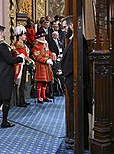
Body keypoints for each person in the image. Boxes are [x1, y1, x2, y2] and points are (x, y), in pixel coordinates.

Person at [61, 16, 92, 150]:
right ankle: (77, 138)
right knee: (76, 110)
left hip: (77, 81)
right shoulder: (73, 40)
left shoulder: (80, 40)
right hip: (71, 79)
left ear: (72, 26)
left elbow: (82, 63)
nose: (64, 30)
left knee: (80, 111)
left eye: (65, 27)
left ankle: (81, 141)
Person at [0, 25, 24, 128]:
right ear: (0, 33)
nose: (5, 34)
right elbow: (10, 60)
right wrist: (20, 58)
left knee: (0, 97)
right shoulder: (2, 46)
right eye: (4, 32)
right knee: (6, 98)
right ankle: (4, 122)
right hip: (5, 75)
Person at [31, 28, 55, 103]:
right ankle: (39, 97)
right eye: (42, 37)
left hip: (47, 66)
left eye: (44, 36)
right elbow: (37, 57)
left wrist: (51, 57)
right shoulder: (36, 47)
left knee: (45, 82)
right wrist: (46, 60)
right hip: (40, 66)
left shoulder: (46, 45)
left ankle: (44, 96)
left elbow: (49, 53)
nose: (43, 38)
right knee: (40, 82)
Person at [13, 25, 32, 107]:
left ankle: (22, 99)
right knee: (20, 83)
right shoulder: (17, 44)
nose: (25, 36)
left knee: (23, 84)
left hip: (24, 65)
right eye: (23, 35)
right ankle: (19, 101)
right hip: (19, 66)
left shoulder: (23, 44)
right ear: (19, 36)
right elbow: (20, 55)